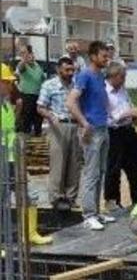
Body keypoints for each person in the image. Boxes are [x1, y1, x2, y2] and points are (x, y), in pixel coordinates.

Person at [66, 44, 114, 231]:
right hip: (91, 130)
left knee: (101, 171)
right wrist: (84, 123)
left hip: (103, 127)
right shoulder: (85, 75)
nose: (106, 58)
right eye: (103, 55)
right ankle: (88, 215)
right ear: (93, 56)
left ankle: (96, 211)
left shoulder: (100, 76)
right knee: (91, 173)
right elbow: (71, 102)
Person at [2, 64, 50, 243]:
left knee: (30, 194)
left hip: (13, 159)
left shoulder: (7, 105)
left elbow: (12, 131)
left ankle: (29, 234)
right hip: (2, 161)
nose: (10, 86)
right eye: (7, 82)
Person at [104, 60, 137, 209]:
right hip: (113, 131)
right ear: (114, 76)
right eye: (122, 77)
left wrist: (135, 115)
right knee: (114, 167)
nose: (124, 80)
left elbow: (129, 106)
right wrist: (126, 113)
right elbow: (108, 116)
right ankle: (112, 200)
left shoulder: (123, 90)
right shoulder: (104, 92)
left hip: (128, 129)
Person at [36, 57, 82, 212]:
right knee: (58, 162)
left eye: (72, 70)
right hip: (58, 125)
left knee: (74, 164)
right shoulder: (49, 85)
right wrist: (50, 117)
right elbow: (40, 107)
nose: (70, 73)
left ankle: (71, 197)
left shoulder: (76, 85)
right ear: (58, 70)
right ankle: (56, 197)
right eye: (66, 70)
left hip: (74, 125)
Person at [14, 44, 45, 135]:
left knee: (38, 123)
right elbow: (20, 67)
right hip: (27, 97)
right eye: (28, 54)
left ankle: (36, 141)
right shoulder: (23, 65)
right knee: (26, 124)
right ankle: (24, 144)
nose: (31, 56)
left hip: (38, 98)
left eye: (31, 54)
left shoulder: (37, 66)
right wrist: (24, 55)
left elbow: (42, 80)